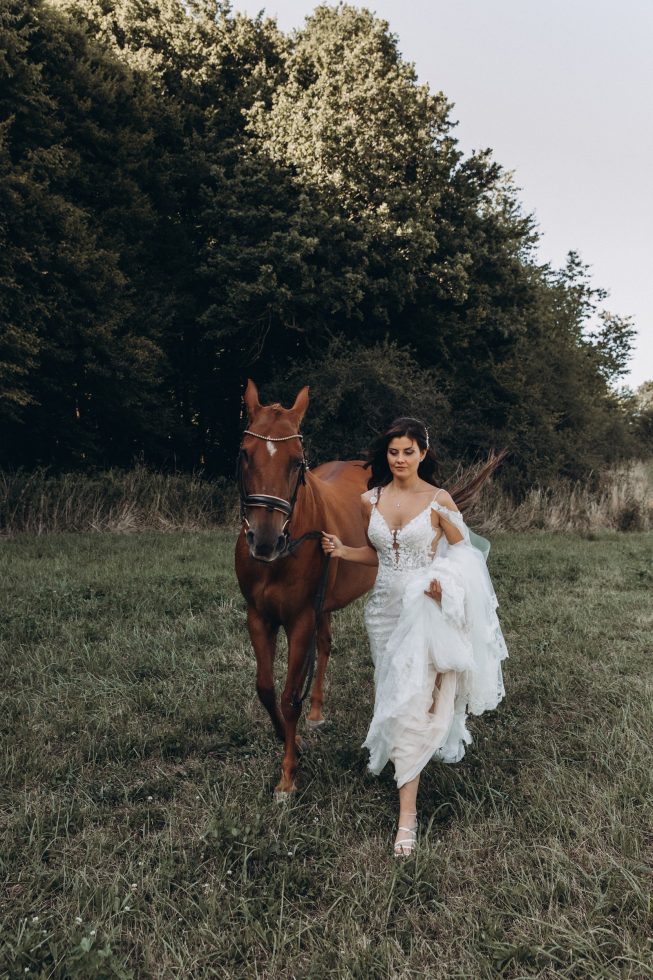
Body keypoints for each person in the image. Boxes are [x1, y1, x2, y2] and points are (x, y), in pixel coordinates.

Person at [321, 418, 508, 857]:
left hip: (424, 608)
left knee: (409, 701)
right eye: (393, 452)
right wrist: (343, 550)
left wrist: (445, 586)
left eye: (408, 451)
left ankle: (407, 818)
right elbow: (380, 554)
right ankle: (412, 752)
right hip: (382, 613)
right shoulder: (372, 499)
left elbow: (466, 555)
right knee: (392, 692)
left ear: (423, 453)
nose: (400, 459)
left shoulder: (439, 501)